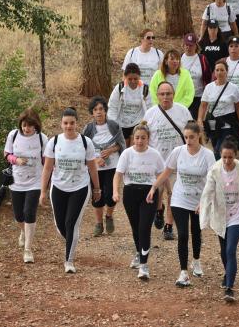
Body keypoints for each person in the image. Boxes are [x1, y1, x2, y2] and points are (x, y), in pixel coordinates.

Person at [148, 121, 215, 287]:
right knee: (183, 234)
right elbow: (167, 172)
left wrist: (205, 201)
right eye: (185, 137)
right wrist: (154, 187)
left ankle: (197, 260)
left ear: (198, 135)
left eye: (191, 137)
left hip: (199, 199)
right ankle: (183, 272)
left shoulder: (207, 155)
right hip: (180, 199)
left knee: (196, 232)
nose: (188, 140)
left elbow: (213, 180)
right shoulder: (178, 152)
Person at [40, 107, 101, 274]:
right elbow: (47, 168)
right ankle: (72, 240)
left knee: (71, 223)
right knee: (60, 225)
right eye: (65, 123)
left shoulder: (85, 142)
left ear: (77, 123)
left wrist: (97, 188)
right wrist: (43, 191)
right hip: (58, 187)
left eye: (72, 123)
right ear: (61, 124)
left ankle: (69, 260)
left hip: (80, 187)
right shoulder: (54, 142)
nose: (69, 126)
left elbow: (92, 168)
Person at [199, 137, 239, 302]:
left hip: (237, 216)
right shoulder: (215, 170)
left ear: (236, 155)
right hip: (220, 216)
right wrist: (203, 207)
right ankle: (228, 273)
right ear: (220, 155)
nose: (227, 160)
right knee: (224, 250)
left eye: (230, 157)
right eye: (224, 157)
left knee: (231, 249)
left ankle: (229, 288)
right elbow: (208, 192)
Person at [113, 121, 165, 280]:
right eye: (137, 138)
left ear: (148, 139)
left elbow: (161, 177)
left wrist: (160, 199)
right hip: (130, 193)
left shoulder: (155, 155)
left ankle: (144, 265)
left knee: (144, 228)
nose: (140, 141)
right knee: (136, 228)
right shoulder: (127, 154)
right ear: (133, 138)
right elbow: (118, 175)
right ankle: (138, 252)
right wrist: (115, 191)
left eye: (143, 138)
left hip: (149, 194)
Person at [144, 82, 193, 240]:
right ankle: (159, 209)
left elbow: (192, 133)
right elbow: (143, 137)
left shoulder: (183, 111)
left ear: (174, 94)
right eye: (162, 94)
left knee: (174, 193)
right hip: (157, 163)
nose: (165, 97)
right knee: (157, 191)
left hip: (177, 161)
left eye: (168, 93)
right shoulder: (150, 114)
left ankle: (169, 226)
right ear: (157, 96)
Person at [3, 108, 48, 264]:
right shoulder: (13, 135)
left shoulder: (42, 139)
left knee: (29, 212)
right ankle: (23, 231)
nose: (26, 128)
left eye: (29, 125)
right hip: (16, 182)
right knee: (18, 216)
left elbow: (46, 161)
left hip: (35, 182)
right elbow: (6, 154)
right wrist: (16, 160)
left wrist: (49, 180)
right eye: (24, 125)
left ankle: (28, 249)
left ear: (36, 125)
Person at [83, 96, 126, 237]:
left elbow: (121, 144)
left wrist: (111, 150)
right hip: (95, 168)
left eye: (101, 109)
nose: (99, 112)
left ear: (105, 111)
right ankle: (98, 223)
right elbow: (83, 148)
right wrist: (95, 160)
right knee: (97, 195)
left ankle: (108, 216)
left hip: (113, 166)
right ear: (92, 113)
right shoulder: (88, 129)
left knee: (110, 195)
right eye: (95, 110)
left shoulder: (114, 126)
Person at [198, 59, 239, 160]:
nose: (219, 72)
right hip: (213, 123)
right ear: (214, 72)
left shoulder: (233, 88)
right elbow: (203, 105)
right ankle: (221, 170)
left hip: (227, 123)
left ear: (227, 71)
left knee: (220, 149)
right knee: (215, 146)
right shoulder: (209, 87)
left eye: (222, 70)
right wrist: (200, 119)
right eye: (217, 70)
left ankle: (218, 169)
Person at [108, 62, 152, 148]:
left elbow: (150, 108)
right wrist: (114, 125)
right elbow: (112, 107)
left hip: (138, 122)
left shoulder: (145, 89)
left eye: (136, 79)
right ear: (125, 77)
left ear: (139, 77)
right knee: (123, 147)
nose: (133, 81)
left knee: (134, 147)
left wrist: (145, 123)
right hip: (121, 124)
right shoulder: (119, 88)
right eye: (130, 79)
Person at [182, 32, 211, 119]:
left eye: (191, 45)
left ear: (196, 45)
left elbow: (208, 77)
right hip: (183, 97)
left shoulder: (202, 59)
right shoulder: (179, 58)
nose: (188, 47)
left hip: (198, 97)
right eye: (186, 44)